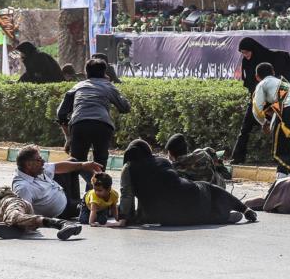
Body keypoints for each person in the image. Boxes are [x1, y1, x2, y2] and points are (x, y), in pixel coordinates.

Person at [117, 139, 258, 226]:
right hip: (191, 197)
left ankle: (222, 216)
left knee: (188, 216)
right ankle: (243, 209)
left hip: (162, 217)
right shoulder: (162, 161)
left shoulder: (128, 167)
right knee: (209, 188)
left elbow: (127, 194)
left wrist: (124, 218)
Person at [56, 58, 131, 190]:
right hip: (102, 126)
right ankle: (96, 194)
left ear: (86, 73)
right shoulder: (108, 86)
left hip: (79, 125)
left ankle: (75, 199)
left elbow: (61, 113)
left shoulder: (78, 86)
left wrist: (68, 137)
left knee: (76, 163)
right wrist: (112, 86)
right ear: (104, 72)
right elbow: (125, 108)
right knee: (99, 164)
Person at [231, 37, 290, 164]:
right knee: (245, 129)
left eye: (247, 52)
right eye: (243, 53)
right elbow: (249, 83)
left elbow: (284, 80)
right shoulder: (246, 61)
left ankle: (288, 159)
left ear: (253, 49)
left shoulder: (274, 58)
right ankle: (237, 158)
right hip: (257, 99)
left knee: (282, 129)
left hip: (275, 101)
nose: (245, 56)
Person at [251, 62, 290, 181]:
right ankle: (279, 182)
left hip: (289, 112)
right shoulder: (283, 83)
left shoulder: (262, 84)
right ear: (273, 72)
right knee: (286, 152)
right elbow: (282, 101)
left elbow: (257, 109)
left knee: (278, 154)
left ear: (257, 77)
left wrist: (264, 122)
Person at [12, 145, 105, 219]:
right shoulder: (23, 188)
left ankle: (99, 190)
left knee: (74, 162)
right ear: (28, 164)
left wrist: (84, 165)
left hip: (61, 190)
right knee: (96, 208)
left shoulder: (34, 170)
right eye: (39, 159)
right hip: (63, 209)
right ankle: (96, 203)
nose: (43, 161)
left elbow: (56, 167)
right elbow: (24, 215)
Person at [166, 133, 231, 189]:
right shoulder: (202, 154)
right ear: (186, 148)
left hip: (200, 198)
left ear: (170, 154)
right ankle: (224, 172)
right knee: (208, 151)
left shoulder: (174, 169)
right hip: (219, 190)